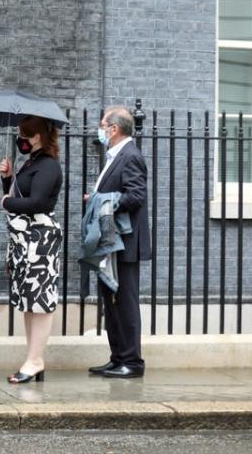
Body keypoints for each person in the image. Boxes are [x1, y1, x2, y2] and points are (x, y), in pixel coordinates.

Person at [0, 115, 64, 384]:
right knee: (28, 300)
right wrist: (8, 179)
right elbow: (19, 196)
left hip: (41, 239)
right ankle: (33, 359)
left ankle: (36, 360)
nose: (20, 140)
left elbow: (36, 202)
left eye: (24, 135)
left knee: (41, 301)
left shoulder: (48, 166)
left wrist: (6, 203)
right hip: (26, 240)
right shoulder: (32, 163)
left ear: (36, 137)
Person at [85, 105, 150, 378]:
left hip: (125, 242)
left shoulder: (130, 156)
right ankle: (117, 357)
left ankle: (132, 362)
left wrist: (101, 201)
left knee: (124, 301)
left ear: (113, 129)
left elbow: (136, 196)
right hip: (111, 241)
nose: (99, 129)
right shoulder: (115, 156)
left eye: (102, 125)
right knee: (111, 301)